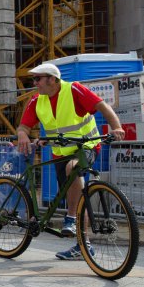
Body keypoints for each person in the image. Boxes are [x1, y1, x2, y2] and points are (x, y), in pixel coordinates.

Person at [16, 63, 125, 260]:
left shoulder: (73, 89)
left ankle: (71, 218)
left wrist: (116, 127)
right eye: (33, 79)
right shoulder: (37, 100)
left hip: (86, 147)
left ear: (52, 79)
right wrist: (22, 134)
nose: (34, 83)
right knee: (78, 194)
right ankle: (83, 246)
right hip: (60, 153)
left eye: (37, 79)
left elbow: (102, 106)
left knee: (73, 168)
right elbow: (23, 126)